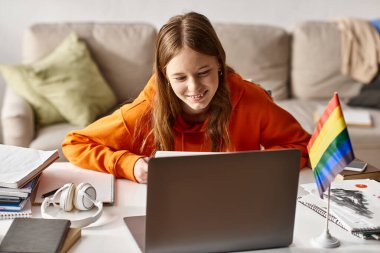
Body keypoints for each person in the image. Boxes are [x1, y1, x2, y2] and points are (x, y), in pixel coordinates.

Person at [62, 12, 311, 184]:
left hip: (237, 206)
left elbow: (304, 147)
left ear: (219, 65)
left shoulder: (250, 98)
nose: (194, 88)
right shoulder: (146, 108)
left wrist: (255, 165)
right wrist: (130, 165)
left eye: (204, 72)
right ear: (165, 77)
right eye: (180, 78)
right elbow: (75, 143)